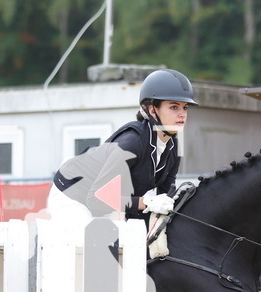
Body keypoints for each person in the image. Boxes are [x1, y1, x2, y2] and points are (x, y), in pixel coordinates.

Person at [48, 68, 197, 223]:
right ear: (153, 110)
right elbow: (97, 199)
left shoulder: (173, 145)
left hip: (106, 201)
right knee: (91, 242)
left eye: (185, 107)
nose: (182, 114)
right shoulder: (132, 143)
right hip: (72, 193)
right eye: (174, 107)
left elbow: (166, 194)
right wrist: (147, 202)